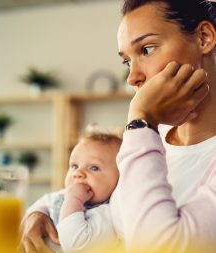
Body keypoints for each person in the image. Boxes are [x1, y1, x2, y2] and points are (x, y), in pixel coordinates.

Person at [21, 0, 216, 252]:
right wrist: (40, 212)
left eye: (146, 49)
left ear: (204, 37)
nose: (132, 76)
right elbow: (90, 189)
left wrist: (141, 119)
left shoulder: (143, 131)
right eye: (127, 61)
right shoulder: (147, 139)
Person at [21, 129, 123, 253]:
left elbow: (76, 244)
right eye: (74, 166)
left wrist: (74, 200)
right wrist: (36, 212)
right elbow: (32, 213)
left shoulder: (107, 214)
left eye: (94, 167)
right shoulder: (63, 196)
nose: (77, 173)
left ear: (120, 178)